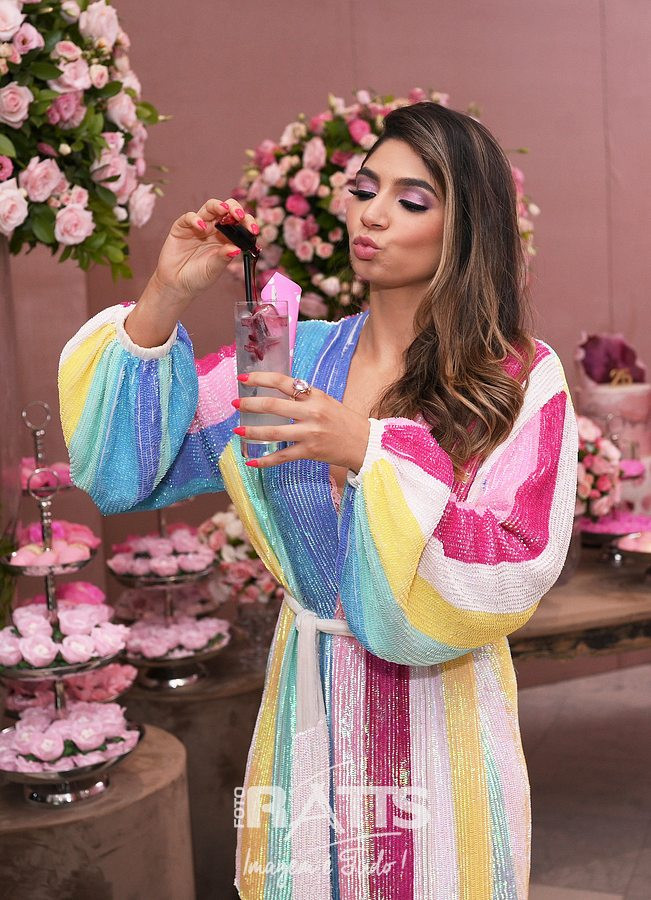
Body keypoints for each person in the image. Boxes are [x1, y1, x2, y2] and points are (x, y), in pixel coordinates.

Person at [59, 102, 578, 899]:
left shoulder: (515, 377)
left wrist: (369, 450)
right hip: (309, 702)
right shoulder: (288, 357)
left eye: (410, 199)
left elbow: (517, 556)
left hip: (441, 716)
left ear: (465, 228)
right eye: (364, 188)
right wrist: (165, 293)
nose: (371, 213)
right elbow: (127, 471)